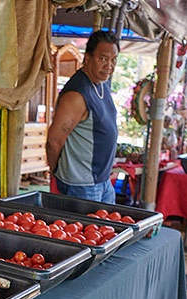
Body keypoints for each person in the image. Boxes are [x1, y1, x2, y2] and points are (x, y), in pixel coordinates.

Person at [45, 30, 120, 203]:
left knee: (109, 229)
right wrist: (55, 173)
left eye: (113, 59)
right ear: (87, 59)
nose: (109, 65)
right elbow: (54, 141)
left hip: (102, 181)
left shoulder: (102, 83)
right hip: (80, 185)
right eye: (102, 58)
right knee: (87, 230)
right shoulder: (77, 94)